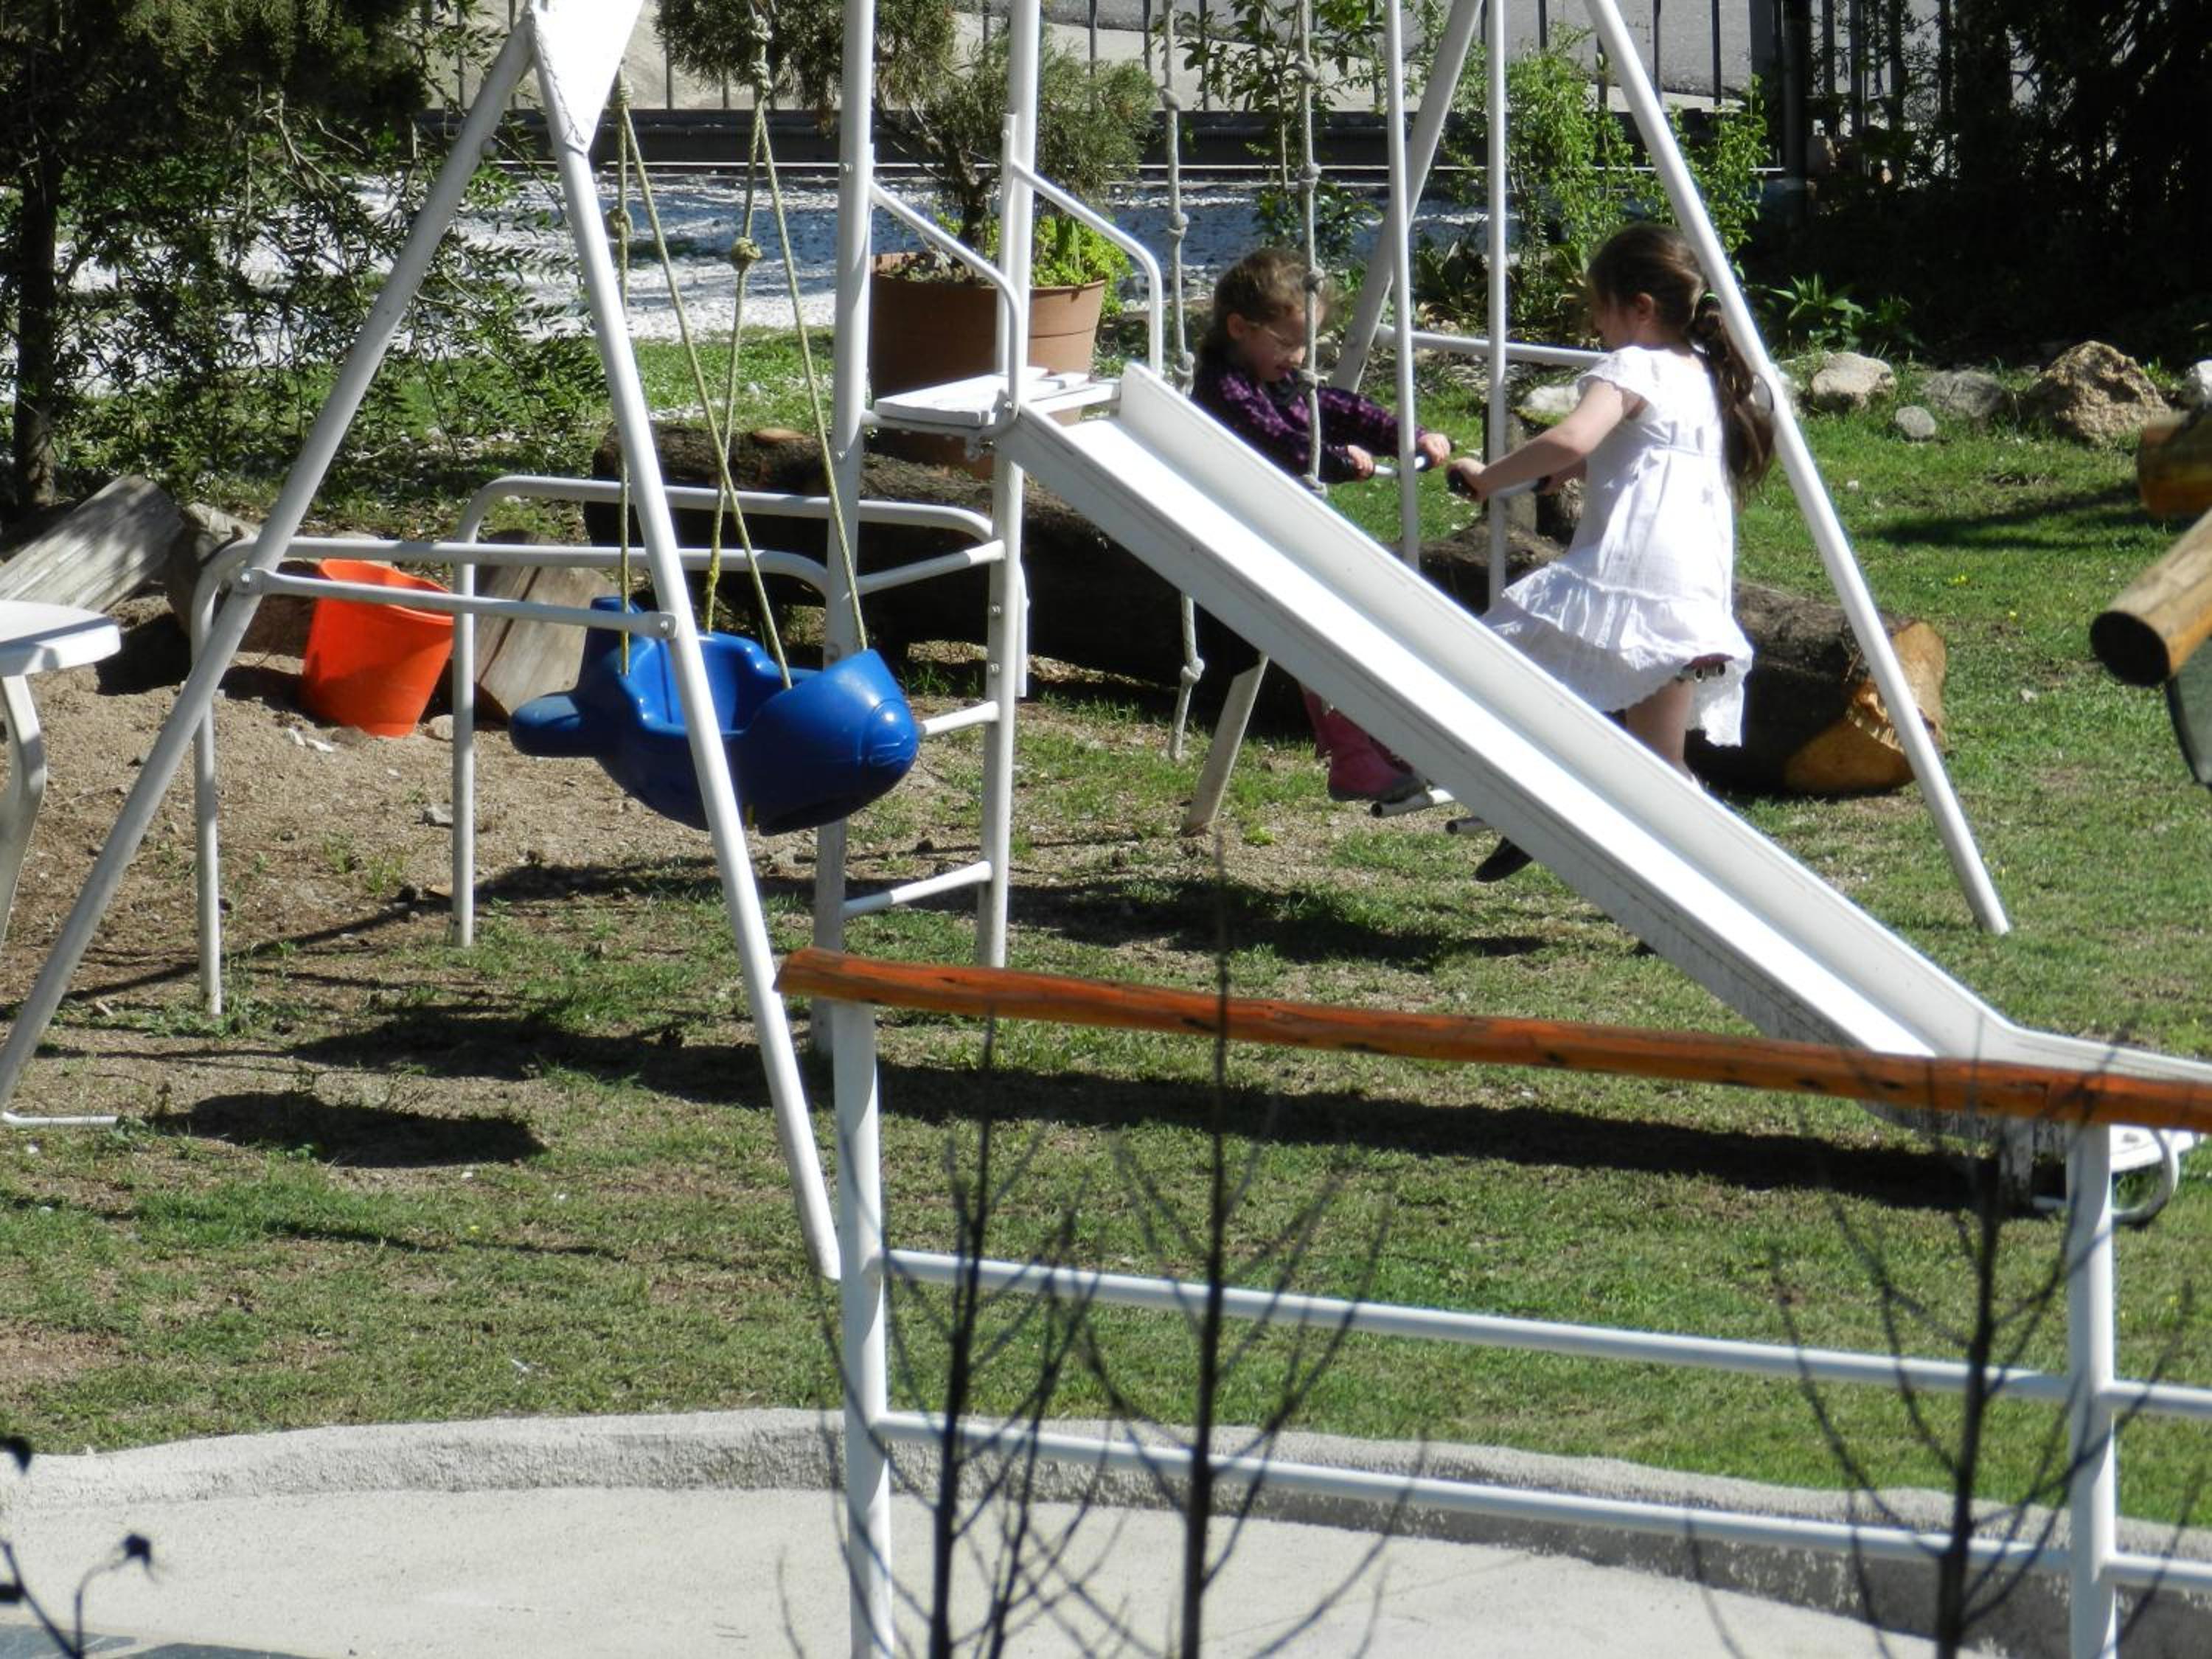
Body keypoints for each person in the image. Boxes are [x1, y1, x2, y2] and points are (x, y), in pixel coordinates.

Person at [1446, 221, 1774, 881]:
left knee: (1493, 659)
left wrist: (1489, 478)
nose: (1595, 325)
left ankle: (1544, 799)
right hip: (1691, 592)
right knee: (1659, 760)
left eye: (1599, 308)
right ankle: (1717, 877)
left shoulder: (1631, 365)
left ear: (1640, 308)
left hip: (1628, 576)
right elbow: (1640, 452)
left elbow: (1573, 438)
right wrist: (1566, 472)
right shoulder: (1704, 373)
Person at [1192, 247, 1453, 803]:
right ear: (1239, 328)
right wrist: (1334, 460)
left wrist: (1406, 434)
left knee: (1365, 611)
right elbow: (1275, 440)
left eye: (1307, 342)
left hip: (1283, 526)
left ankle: (1376, 739)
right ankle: (1350, 754)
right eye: (1287, 342)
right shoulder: (1224, 386)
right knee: (1319, 631)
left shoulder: (1276, 376)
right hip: (1242, 536)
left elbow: (1335, 407)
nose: (1299, 356)